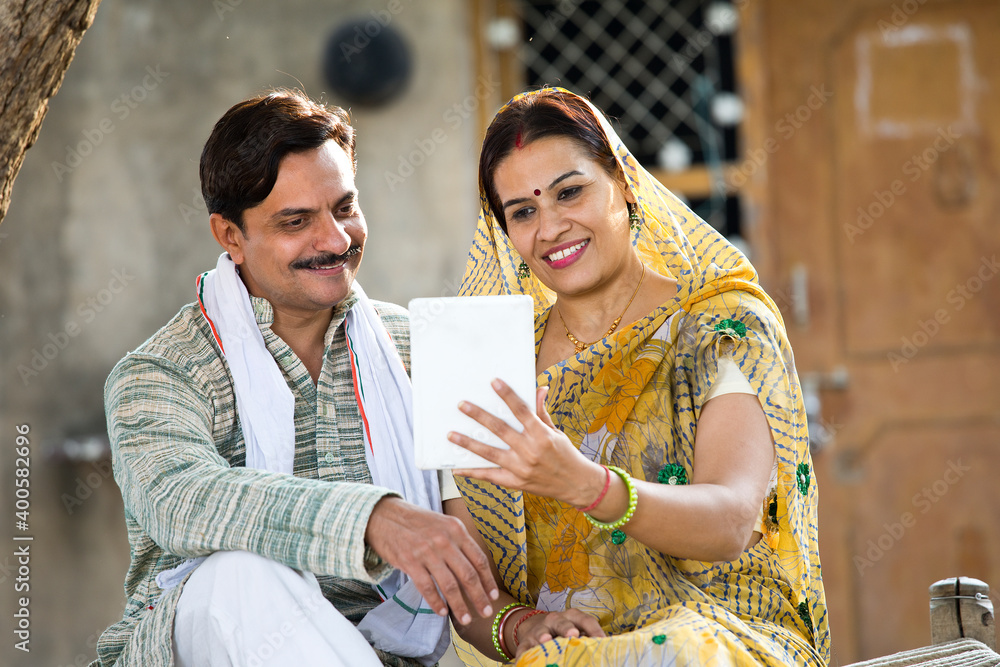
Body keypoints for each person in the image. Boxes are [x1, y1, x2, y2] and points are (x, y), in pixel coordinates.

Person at [91, 89, 499, 667]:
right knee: (237, 574)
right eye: (296, 221)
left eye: (345, 208)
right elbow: (182, 500)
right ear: (230, 236)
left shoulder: (417, 348)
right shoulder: (161, 372)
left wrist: (520, 625)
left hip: (395, 654)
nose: (334, 240)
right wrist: (372, 517)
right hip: (206, 647)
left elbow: (472, 559)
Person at [440, 88, 831, 665]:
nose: (549, 227)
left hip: (718, 640)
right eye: (522, 211)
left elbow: (731, 520)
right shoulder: (487, 362)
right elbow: (468, 584)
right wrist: (521, 626)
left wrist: (584, 483)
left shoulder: (720, 328)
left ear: (624, 184)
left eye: (570, 192)